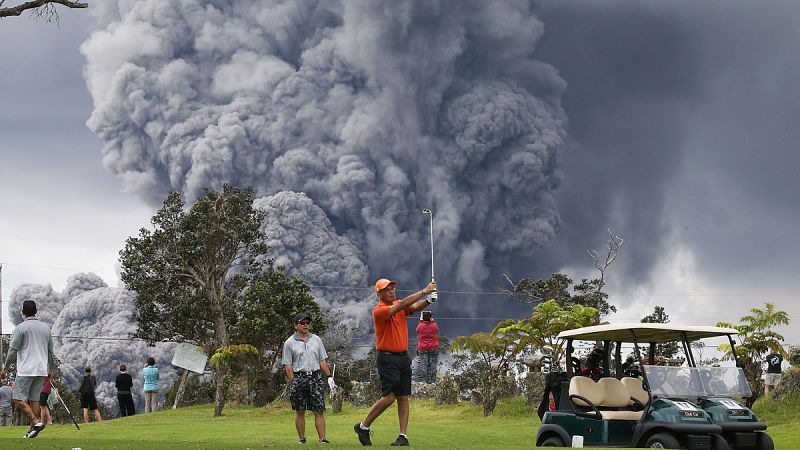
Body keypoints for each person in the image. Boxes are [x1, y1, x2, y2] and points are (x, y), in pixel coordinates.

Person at [354, 277, 437, 447]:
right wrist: (424, 291)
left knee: (403, 397)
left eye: (392, 288)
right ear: (379, 293)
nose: (391, 291)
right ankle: (363, 426)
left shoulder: (399, 305)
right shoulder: (380, 310)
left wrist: (428, 300)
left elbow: (413, 307)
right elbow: (403, 305)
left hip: (403, 357)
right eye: (387, 289)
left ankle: (403, 436)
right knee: (389, 397)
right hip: (387, 358)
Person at [3, 299, 55, 438]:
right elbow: (51, 352)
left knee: (17, 400)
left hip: (26, 369)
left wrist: (5, 368)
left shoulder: (21, 328)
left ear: (22, 313)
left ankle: (35, 421)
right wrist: (50, 370)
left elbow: (13, 350)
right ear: (36, 311)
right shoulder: (46, 329)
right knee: (34, 400)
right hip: (41, 369)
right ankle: (32, 431)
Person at [282, 313, 333, 445]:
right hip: (299, 377)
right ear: (296, 325)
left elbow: (322, 360)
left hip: (315, 377)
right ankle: (302, 439)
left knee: (319, 410)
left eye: (307, 323)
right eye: (302, 323)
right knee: (300, 410)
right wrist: (293, 381)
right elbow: (288, 365)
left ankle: (322, 439)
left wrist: (329, 377)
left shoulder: (316, 339)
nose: (306, 325)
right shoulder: (289, 343)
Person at [415, 310, 440, 384]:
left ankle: (425, 381)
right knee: (433, 364)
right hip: (433, 347)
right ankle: (432, 381)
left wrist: (420, 321)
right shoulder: (433, 325)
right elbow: (437, 330)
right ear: (431, 317)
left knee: (423, 363)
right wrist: (432, 321)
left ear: (422, 318)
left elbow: (417, 331)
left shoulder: (420, 325)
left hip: (422, 348)